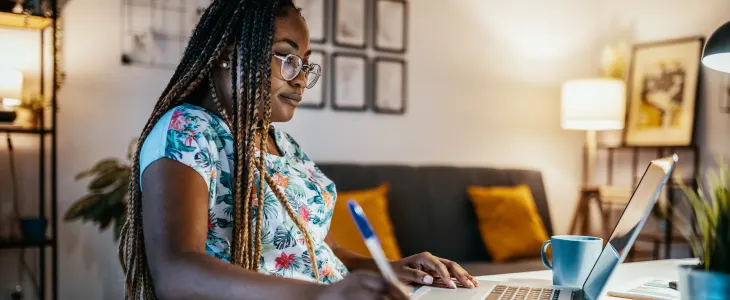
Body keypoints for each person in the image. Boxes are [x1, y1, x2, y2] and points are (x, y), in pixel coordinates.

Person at [118, 0, 479, 299]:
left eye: (305, 64)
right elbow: (177, 270)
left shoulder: (283, 144)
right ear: (229, 54)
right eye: (287, 59)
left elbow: (326, 252)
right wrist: (320, 296)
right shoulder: (188, 130)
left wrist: (396, 268)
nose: (302, 78)